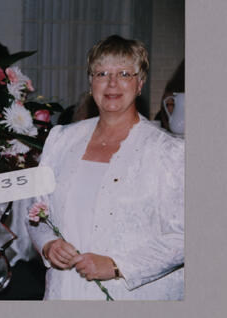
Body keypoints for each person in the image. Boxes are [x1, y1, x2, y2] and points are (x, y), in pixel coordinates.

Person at [27, 35, 184, 300]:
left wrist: (116, 265)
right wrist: (48, 244)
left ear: (140, 83)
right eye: (102, 73)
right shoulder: (60, 139)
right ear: (91, 83)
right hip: (65, 292)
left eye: (124, 73)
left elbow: (185, 235)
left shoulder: (169, 151)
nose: (112, 83)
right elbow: (36, 210)